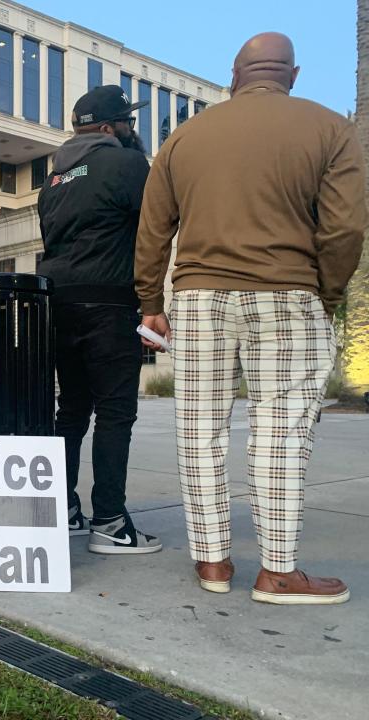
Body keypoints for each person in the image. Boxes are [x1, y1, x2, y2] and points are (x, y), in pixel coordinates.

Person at [135, 33, 365, 604]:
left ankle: (212, 562)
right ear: (294, 73)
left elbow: (153, 229)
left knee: (199, 432)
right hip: (287, 291)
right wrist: (327, 294)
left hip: (196, 297)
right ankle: (278, 571)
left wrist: (150, 303)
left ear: (235, 76)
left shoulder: (183, 138)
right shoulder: (330, 129)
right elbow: (343, 228)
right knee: (280, 434)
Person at [36, 85, 161, 555]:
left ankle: (63, 508)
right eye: (128, 122)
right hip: (109, 305)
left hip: (58, 305)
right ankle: (109, 520)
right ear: (111, 128)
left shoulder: (52, 181)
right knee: (114, 413)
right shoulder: (127, 164)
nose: (133, 130)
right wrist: (153, 300)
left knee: (70, 410)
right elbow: (156, 226)